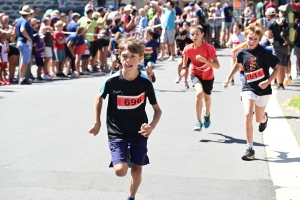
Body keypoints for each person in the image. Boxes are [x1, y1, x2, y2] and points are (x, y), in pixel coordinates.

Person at [88, 36, 162, 200]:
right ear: (119, 57)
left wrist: (152, 126)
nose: (128, 60)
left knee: (137, 169)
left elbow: (157, 110)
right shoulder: (112, 81)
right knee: (120, 171)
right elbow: (98, 98)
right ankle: (125, 155)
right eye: (124, 56)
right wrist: (97, 122)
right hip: (117, 131)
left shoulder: (145, 83)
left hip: (139, 131)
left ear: (140, 58)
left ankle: (131, 196)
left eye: (133, 57)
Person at [223, 24, 280, 160]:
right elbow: (238, 66)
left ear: (259, 39)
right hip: (248, 88)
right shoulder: (242, 53)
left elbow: (278, 69)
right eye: (249, 38)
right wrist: (228, 78)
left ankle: (264, 118)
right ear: (246, 37)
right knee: (248, 114)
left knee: (258, 118)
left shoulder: (265, 52)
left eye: (255, 39)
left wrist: (268, 81)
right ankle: (250, 148)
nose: (252, 41)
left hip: (264, 90)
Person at [180, 25, 220, 131]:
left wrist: (205, 60)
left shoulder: (209, 48)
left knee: (207, 98)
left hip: (208, 76)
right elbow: (186, 56)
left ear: (202, 34)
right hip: (195, 73)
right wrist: (184, 68)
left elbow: (217, 66)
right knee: (199, 93)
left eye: (197, 33)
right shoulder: (188, 48)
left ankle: (207, 114)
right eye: (192, 34)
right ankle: (198, 121)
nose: (194, 36)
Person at [266, 7, 288, 90]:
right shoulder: (282, 21)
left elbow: (269, 35)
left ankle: (279, 84)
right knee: (282, 66)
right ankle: (281, 84)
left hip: (277, 46)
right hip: (285, 45)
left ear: (268, 15)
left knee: (277, 66)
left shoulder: (270, 23)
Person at [16, 5, 34, 85]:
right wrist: (29, 38)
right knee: (25, 61)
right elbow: (22, 30)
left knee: (24, 61)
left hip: (21, 42)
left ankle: (22, 77)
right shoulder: (24, 21)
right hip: (24, 42)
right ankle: (22, 78)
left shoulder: (20, 20)